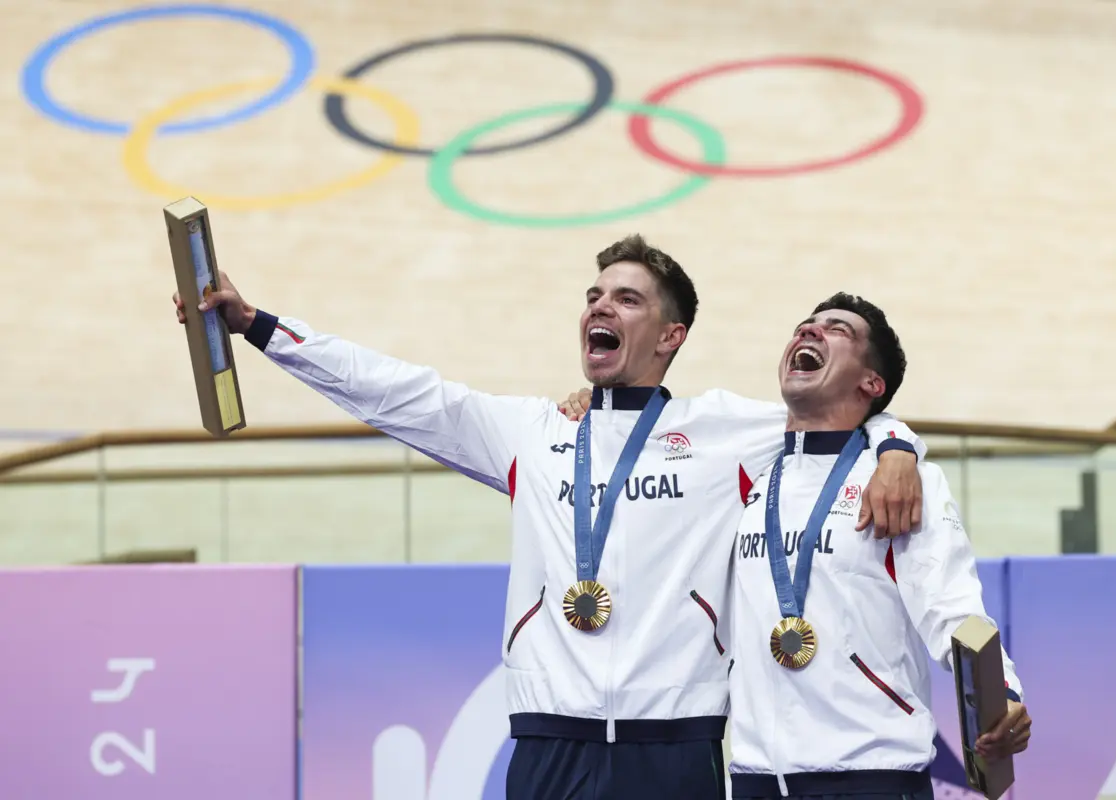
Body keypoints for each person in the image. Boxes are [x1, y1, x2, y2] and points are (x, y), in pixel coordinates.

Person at [172, 235, 929, 800]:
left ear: (672, 337)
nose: (601, 306)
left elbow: (844, 413)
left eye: (627, 299)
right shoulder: (533, 433)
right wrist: (262, 327)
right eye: (595, 295)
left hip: (676, 750)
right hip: (548, 745)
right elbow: (398, 393)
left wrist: (897, 446)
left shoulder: (722, 431)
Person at [721, 293, 1030, 800]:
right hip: (755, 778)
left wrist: (1007, 694)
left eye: (837, 329)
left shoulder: (907, 481)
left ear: (872, 383)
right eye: (804, 325)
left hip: (872, 773)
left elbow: (953, 608)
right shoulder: (744, 468)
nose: (809, 331)